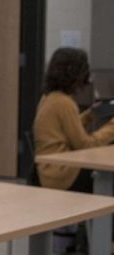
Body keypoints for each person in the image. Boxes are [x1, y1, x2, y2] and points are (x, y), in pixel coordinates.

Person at [34, 47, 114, 192]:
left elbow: (66, 129)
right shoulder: (64, 103)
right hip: (63, 174)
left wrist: (90, 115)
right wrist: (112, 127)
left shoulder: (49, 98)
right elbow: (86, 145)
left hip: (48, 171)